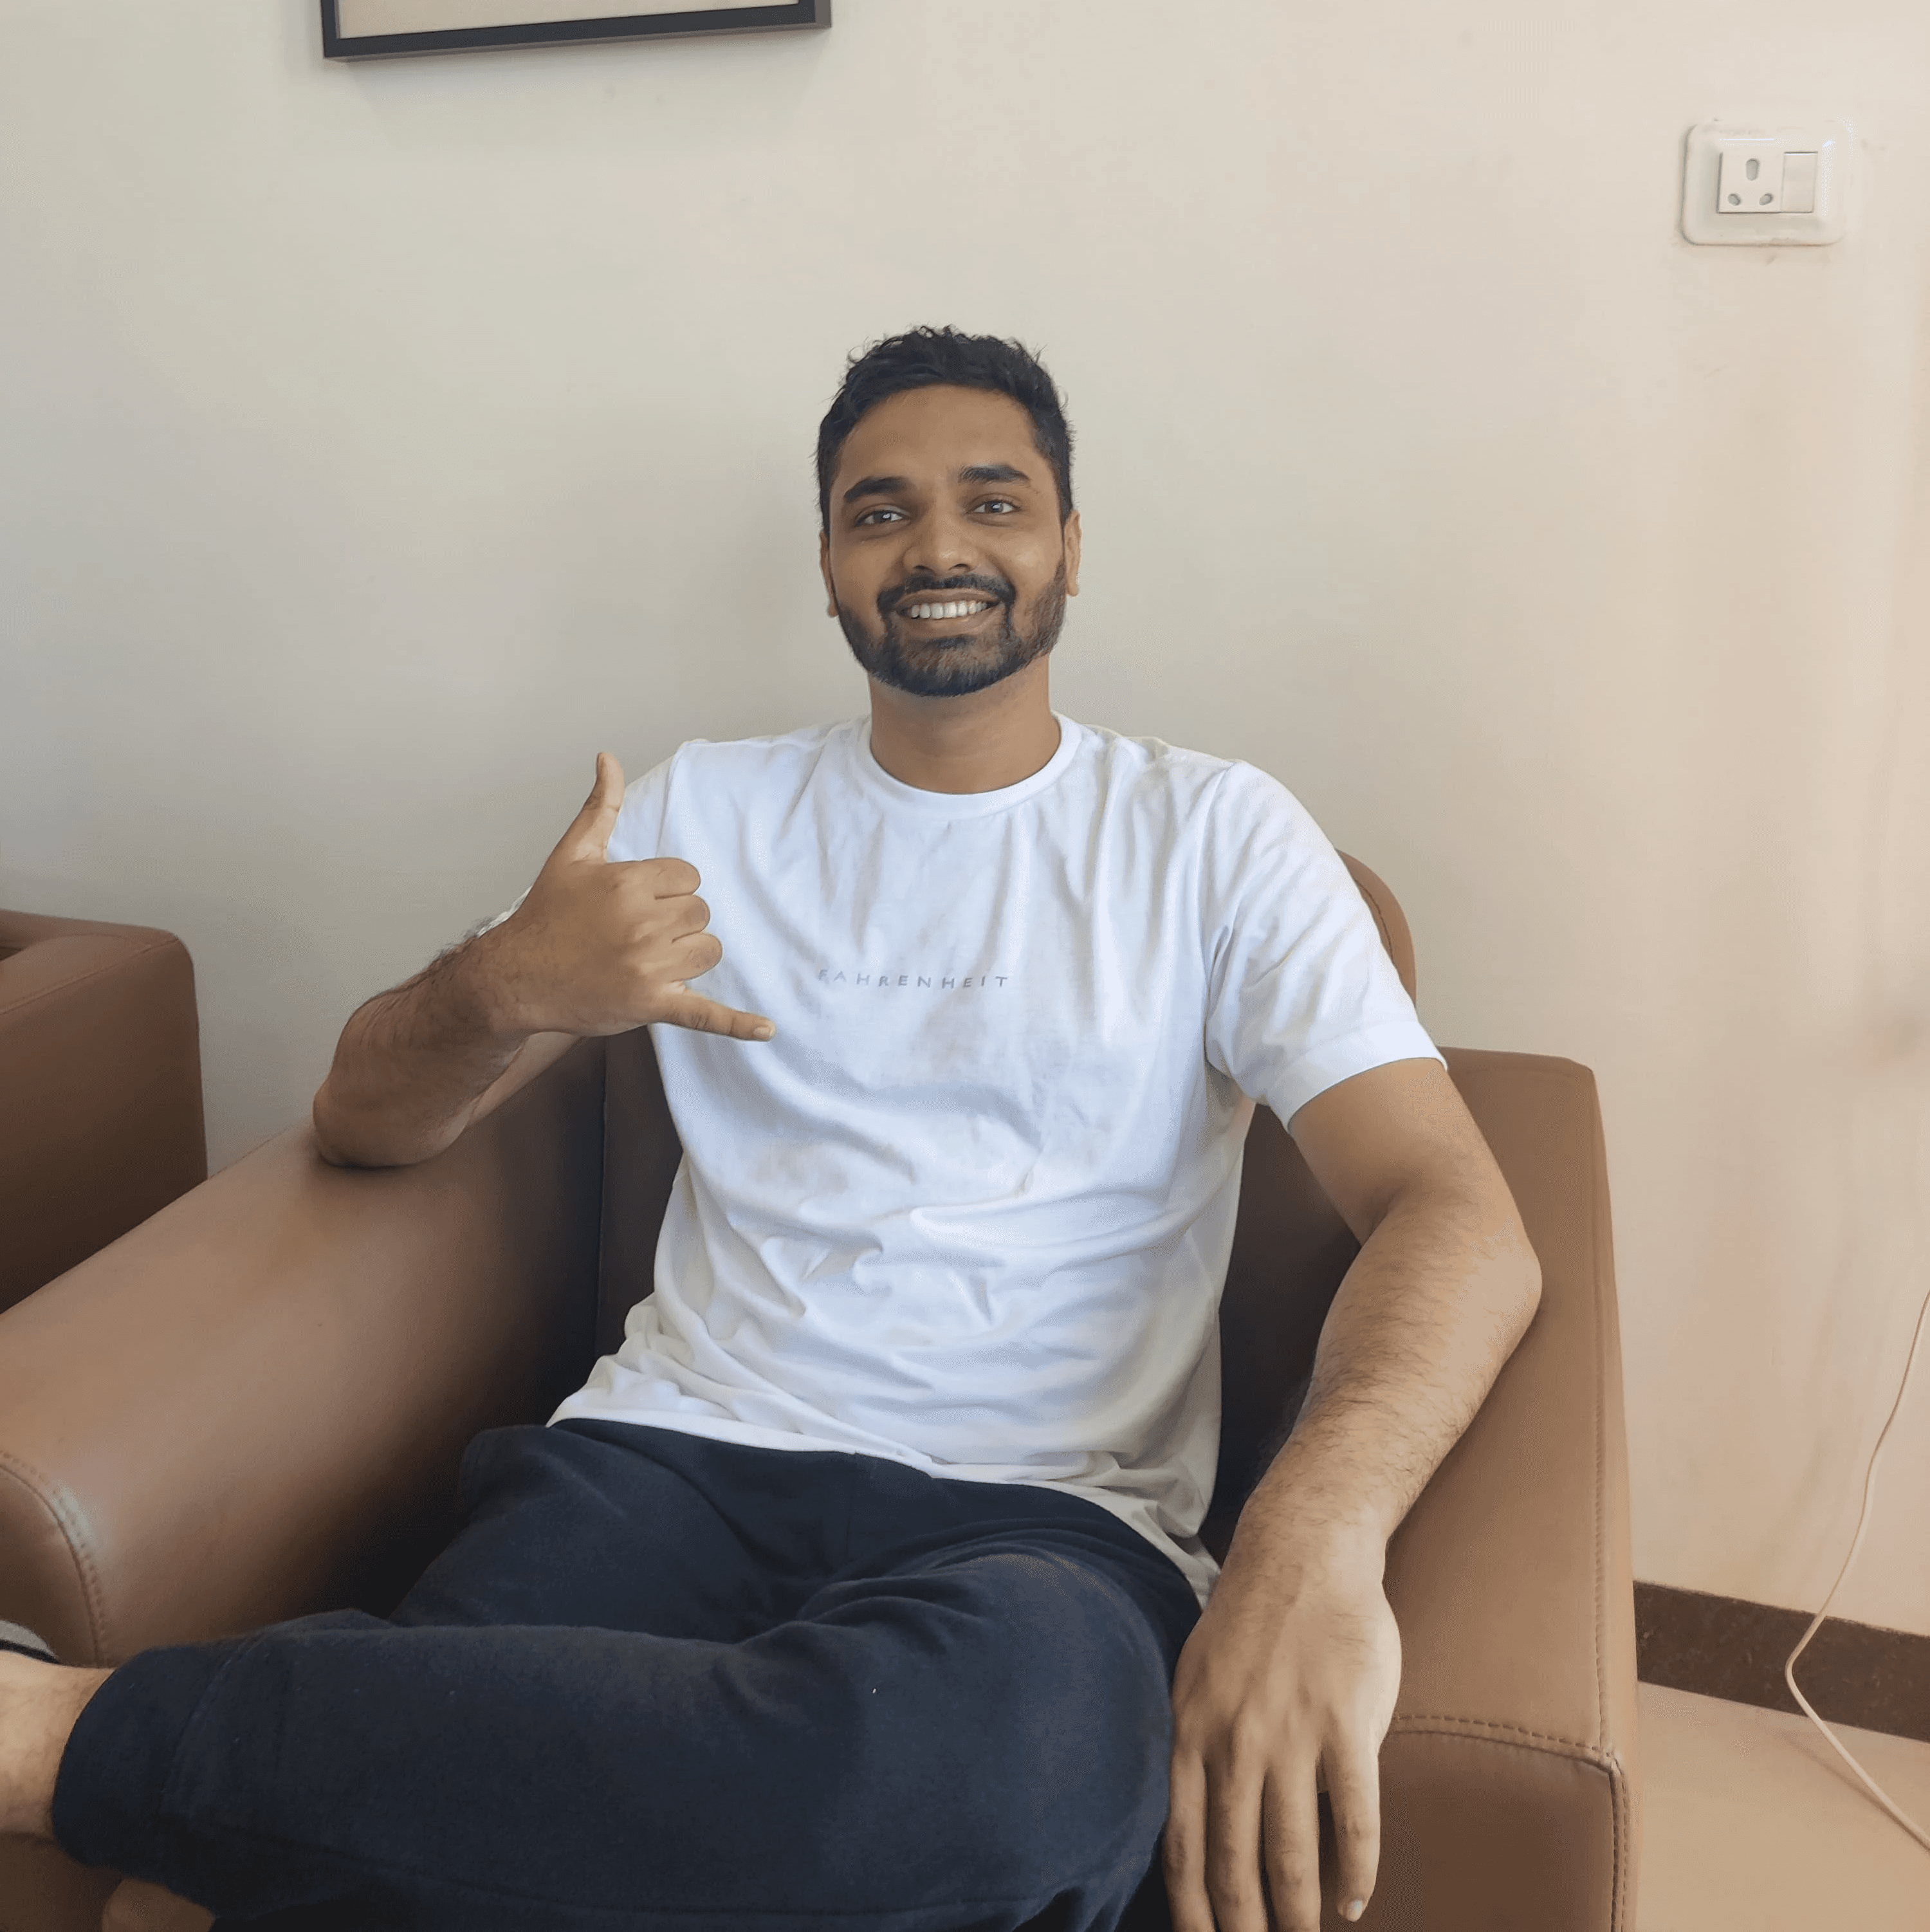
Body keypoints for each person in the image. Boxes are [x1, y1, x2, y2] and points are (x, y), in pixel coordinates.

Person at [0, 327, 1541, 1932]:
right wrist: (504, 983)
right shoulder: (698, 812)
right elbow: (361, 1118)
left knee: (978, 1779)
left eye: (993, 501)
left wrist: (1313, 1532)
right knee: (550, 1818)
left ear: (1070, 544)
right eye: (880, 512)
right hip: (666, 1468)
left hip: (1045, 1534)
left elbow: (1455, 1212)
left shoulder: (1213, 835)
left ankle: (62, 1738)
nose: (939, 545)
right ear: (826, 565)